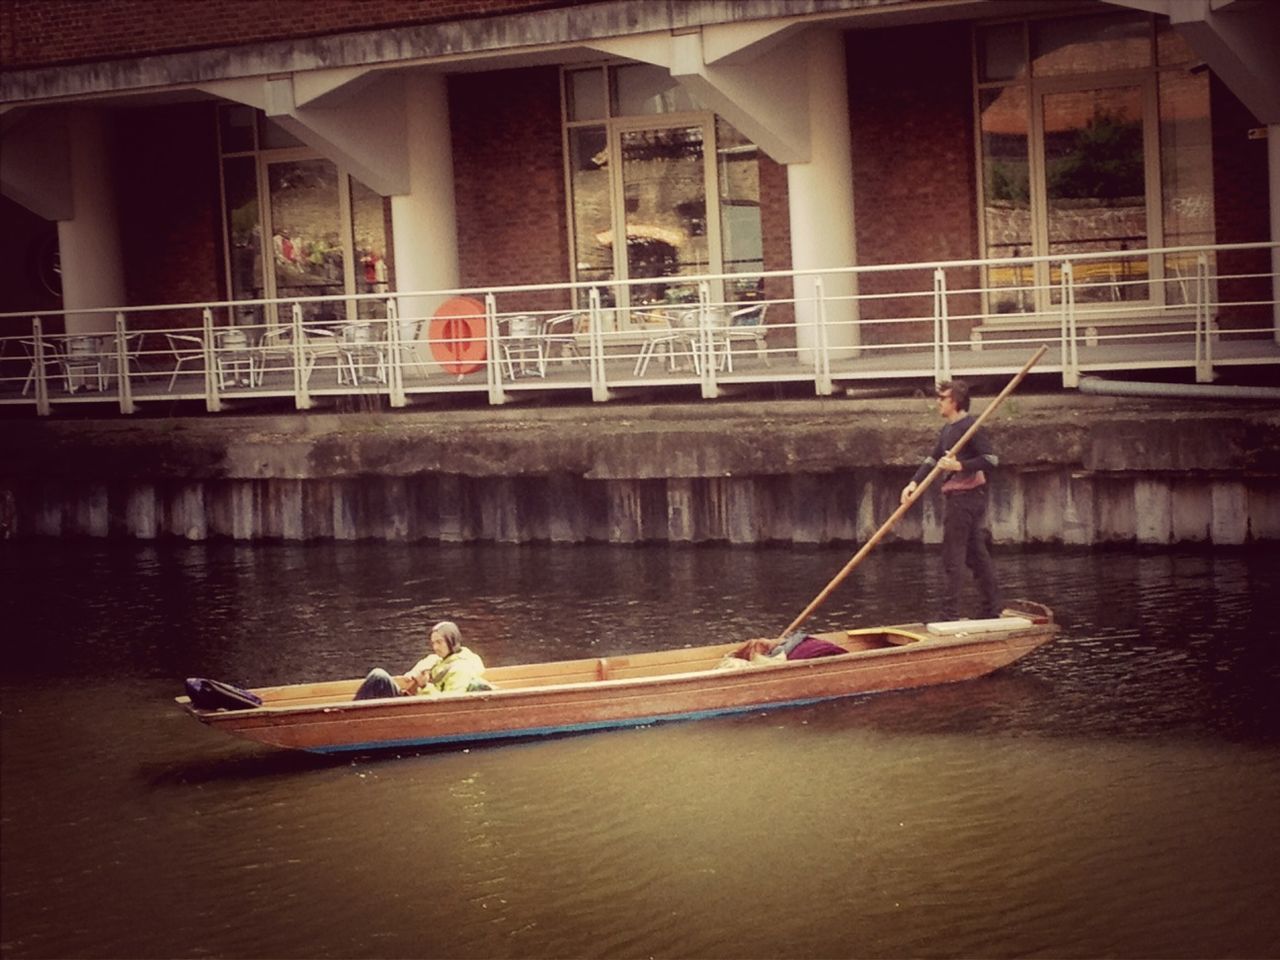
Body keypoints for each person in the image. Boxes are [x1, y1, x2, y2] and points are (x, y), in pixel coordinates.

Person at [900, 379, 1002, 621]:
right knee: (975, 554)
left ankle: (949, 615)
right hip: (958, 498)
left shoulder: (971, 428)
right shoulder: (948, 429)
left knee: (953, 556)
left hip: (966, 499)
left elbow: (992, 460)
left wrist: (960, 465)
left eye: (942, 399)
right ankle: (992, 608)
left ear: (954, 402)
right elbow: (933, 459)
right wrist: (913, 483)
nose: (938, 403)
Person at [353, 620, 489, 701]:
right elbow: (424, 664)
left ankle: (348, 716)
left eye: (439, 642)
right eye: (433, 643)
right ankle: (351, 714)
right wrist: (413, 673)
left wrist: (425, 685)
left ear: (452, 641)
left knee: (378, 677)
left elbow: (448, 704)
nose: (435, 647)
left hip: (420, 711)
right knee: (379, 676)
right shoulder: (438, 659)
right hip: (414, 701)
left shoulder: (460, 669)